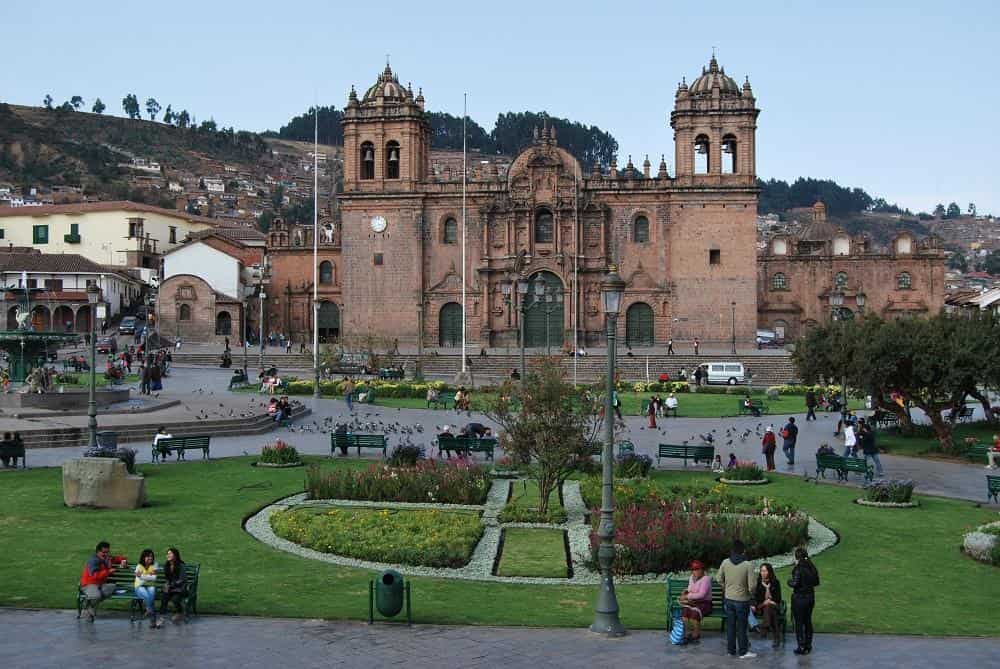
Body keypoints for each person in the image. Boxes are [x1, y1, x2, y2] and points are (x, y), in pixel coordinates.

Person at [717, 539, 757, 659]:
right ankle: (743, 652)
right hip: (742, 600)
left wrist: (726, 587)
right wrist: (750, 593)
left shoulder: (725, 562)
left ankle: (731, 651)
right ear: (743, 551)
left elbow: (718, 578)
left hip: (728, 599)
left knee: (730, 626)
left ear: (732, 550)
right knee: (742, 627)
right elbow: (752, 586)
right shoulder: (748, 565)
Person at [789, 547, 820, 655]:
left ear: (797, 557)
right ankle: (808, 645)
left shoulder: (798, 568)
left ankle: (801, 646)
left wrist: (789, 582)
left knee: (799, 623)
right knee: (807, 621)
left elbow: (795, 583)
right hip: (810, 597)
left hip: (800, 598)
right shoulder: (811, 567)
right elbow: (816, 582)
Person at [79, 541, 121, 621]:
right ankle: (89, 606)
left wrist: (123, 561)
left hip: (100, 584)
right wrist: (108, 572)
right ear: (98, 552)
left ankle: (88, 603)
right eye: (104, 552)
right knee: (96, 596)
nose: (106, 554)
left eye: (108, 552)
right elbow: (94, 575)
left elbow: (118, 558)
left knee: (112, 587)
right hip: (89, 584)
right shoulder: (93, 561)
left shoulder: (107, 558)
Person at [679, 560, 712, 643]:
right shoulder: (691, 577)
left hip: (705, 603)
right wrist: (686, 591)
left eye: (697, 569)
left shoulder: (706, 579)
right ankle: (687, 633)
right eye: (693, 569)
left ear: (702, 570)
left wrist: (687, 596)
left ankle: (696, 634)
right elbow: (690, 588)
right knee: (685, 612)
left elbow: (702, 595)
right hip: (693, 602)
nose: (695, 571)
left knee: (694, 614)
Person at [752, 562, 782, 649]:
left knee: (769, 608)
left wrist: (769, 601)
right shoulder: (758, 583)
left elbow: (778, 598)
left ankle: (764, 628)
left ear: (769, 572)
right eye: (762, 571)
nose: (763, 573)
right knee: (770, 611)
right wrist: (765, 602)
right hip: (761, 606)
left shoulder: (775, 582)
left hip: (773, 605)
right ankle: (776, 638)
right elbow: (756, 598)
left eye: (765, 571)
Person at [159, 547, 188, 624]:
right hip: (171, 588)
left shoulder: (181, 565)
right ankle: (162, 618)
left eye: (170, 553)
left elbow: (182, 579)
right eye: (167, 554)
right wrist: (166, 585)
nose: (168, 555)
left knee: (175, 599)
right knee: (164, 597)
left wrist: (172, 585)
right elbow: (167, 579)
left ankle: (179, 612)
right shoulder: (166, 565)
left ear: (175, 555)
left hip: (180, 588)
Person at [134, 548, 160, 627]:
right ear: (143, 557)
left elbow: (154, 578)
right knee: (148, 597)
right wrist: (148, 576)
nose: (150, 558)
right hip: (139, 586)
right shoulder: (139, 566)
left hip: (151, 585)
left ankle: (149, 610)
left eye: (151, 556)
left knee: (151, 593)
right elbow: (139, 580)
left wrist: (142, 576)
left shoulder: (155, 565)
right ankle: (153, 619)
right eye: (148, 556)